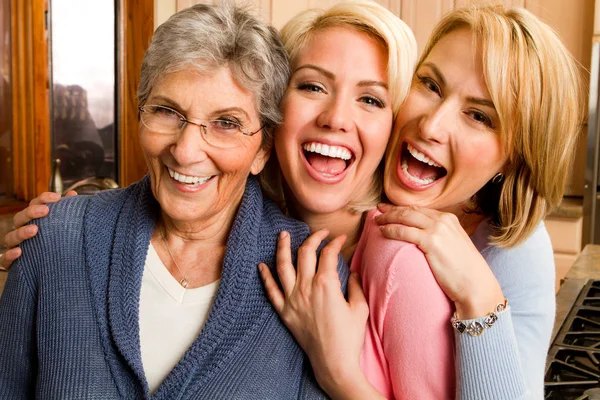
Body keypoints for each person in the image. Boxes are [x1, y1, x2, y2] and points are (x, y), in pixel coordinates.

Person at [2, 1, 582, 399]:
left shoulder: (480, 250)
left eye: (371, 99)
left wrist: (345, 374)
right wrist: (67, 228)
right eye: (429, 86)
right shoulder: (258, 209)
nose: (432, 124)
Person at [0, 3, 343, 398]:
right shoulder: (54, 238)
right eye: (166, 111)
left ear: (263, 149)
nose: (185, 151)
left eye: (226, 123)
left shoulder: (315, 278)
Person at [258, 4, 583, 400]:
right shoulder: (345, 191)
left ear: (513, 158)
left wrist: (479, 296)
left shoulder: (513, 251)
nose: (431, 125)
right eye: (430, 85)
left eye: (479, 116)